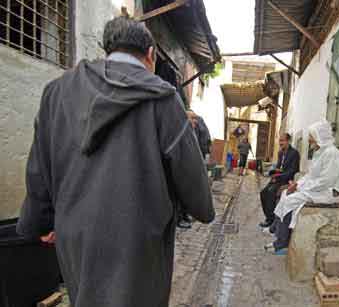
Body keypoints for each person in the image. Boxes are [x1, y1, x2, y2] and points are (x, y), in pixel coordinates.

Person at [16, 16, 215, 307]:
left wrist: (37, 223)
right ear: (150, 55)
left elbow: (39, 172)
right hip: (139, 243)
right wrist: (203, 208)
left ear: (106, 48)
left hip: (76, 236)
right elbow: (193, 185)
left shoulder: (56, 93)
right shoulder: (162, 99)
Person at [265, 121, 339, 255]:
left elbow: (325, 181)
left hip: (331, 192)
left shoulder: (332, 154)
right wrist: (297, 185)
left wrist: (302, 188)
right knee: (286, 193)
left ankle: (281, 244)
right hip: (319, 188)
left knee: (291, 200)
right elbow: (311, 175)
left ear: (319, 137)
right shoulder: (320, 152)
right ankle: (277, 231)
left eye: (312, 137)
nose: (309, 140)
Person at [259, 133, 300, 228]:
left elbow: (293, 171)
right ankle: (268, 216)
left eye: (283, 140)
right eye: (280, 140)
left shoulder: (294, 153)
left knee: (271, 192)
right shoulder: (280, 153)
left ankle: (271, 220)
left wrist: (279, 176)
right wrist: (273, 172)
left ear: (288, 141)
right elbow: (278, 167)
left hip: (287, 180)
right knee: (263, 193)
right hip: (278, 178)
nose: (280, 143)